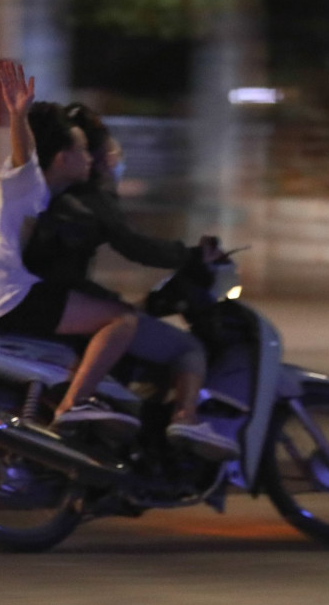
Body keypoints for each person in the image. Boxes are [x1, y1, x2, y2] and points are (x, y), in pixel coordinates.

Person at [22, 102, 239, 461]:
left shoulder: (59, 192)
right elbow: (136, 247)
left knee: (124, 308)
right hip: (54, 299)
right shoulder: (91, 198)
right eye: (113, 155)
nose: (117, 162)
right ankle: (184, 417)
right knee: (187, 348)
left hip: (50, 294)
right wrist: (192, 256)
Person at [0, 62, 139, 432]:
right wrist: (18, 117)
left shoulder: (19, 190)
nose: (90, 158)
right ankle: (74, 404)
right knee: (121, 319)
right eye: (82, 150)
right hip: (0, 296)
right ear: (62, 158)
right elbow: (24, 158)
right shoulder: (30, 183)